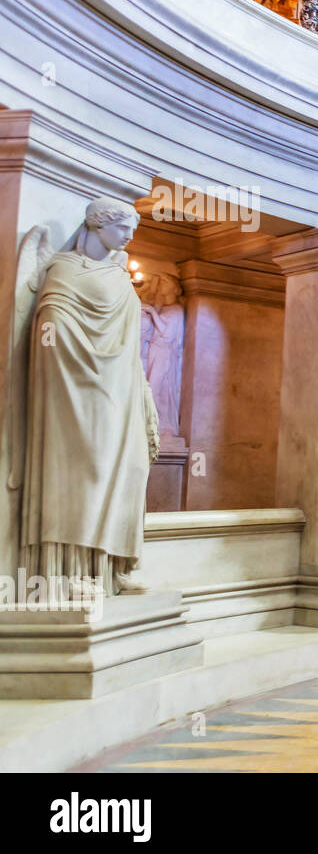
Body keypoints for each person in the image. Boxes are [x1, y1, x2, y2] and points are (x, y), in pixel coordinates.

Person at [20, 197, 160, 597]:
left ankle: (112, 567)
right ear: (98, 225)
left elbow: (131, 344)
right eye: (122, 227)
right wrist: (82, 361)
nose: (129, 236)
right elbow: (50, 324)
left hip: (123, 389)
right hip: (76, 386)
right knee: (85, 470)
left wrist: (142, 391)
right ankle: (69, 573)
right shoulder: (64, 269)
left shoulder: (119, 275)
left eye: (133, 229)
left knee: (132, 468)